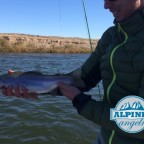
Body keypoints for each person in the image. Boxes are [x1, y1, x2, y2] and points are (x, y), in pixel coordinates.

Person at [2, 0, 144, 144]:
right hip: (104, 139)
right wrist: (30, 83)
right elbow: (83, 79)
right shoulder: (110, 36)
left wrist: (80, 101)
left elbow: (140, 121)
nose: (106, 6)